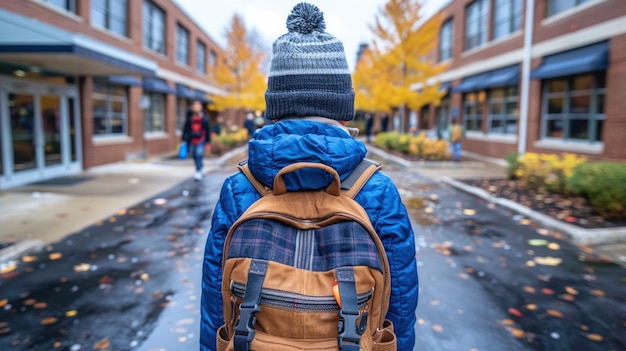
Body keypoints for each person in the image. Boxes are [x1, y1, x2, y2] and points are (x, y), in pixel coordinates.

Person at [200, 3, 418, 351]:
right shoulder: (377, 190)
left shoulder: (240, 187)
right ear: (344, 111)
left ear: (275, 109)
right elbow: (400, 303)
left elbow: (216, 304)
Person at [182, 100, 211, 180]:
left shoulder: (204, 117)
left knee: (198, 153)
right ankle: (201, 167)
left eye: (198, 106)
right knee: (194, 154)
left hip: (201, 139)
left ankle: (198, 171)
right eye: (195, 106)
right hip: (192, 139)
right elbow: (185, 128)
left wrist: (208, 141)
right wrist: (184, 139)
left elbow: (207, 130)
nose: (196, 108)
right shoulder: (190, 117)